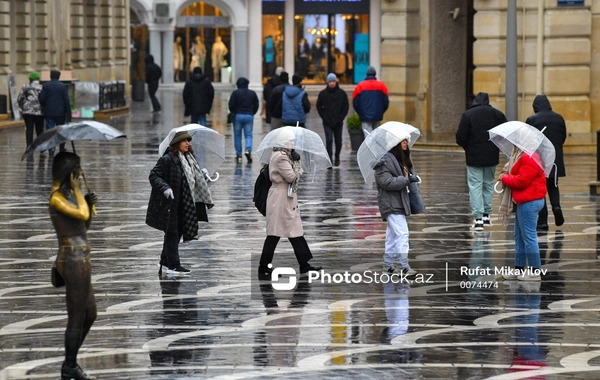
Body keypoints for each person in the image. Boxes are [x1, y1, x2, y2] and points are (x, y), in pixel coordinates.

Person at [49, 152, 98, 380]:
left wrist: (89, 204)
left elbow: (83, 224)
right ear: (68, 171)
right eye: (77, 170)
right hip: (71, 259)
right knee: (78, 315)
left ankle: (71, 361)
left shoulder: (69, 195)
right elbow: (80, 213)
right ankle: (70, 366)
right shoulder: (57, 197)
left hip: (82, 258)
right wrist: (80, 195)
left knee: (90, 314)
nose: (80, 174)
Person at [146, 131, 214, 276]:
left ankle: (165, 261)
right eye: (184, 141)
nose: (188, 143)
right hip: (171, 204)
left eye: (188, 141)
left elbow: (191, 179)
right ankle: (173, 266)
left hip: (186, 202)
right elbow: (154, 175)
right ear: (177, 143)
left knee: (178, 232)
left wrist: (202, 175)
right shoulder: (168, 159)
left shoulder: (189, 158)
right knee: (172, 233)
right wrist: (165, 187)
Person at [258, 129, 322, 278]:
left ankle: (304, 264)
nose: (292, 144)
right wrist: (297, 162)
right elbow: (292, 176)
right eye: (289, 142)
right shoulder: (280, 157)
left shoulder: (283, 155)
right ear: (282, 142)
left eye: (292, 141)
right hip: (280, 198)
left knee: (295, 231)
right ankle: (264, 266)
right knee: (275, 233)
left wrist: (294, 160)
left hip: (285, 197)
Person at [456, 92, 508, 231]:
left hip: (474, 156)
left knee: (475, 186)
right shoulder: (497, 114)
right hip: (491, 155)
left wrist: (468, 147)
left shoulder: (468, 115)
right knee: (488, 185)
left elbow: (460, 137)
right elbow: (506, 133)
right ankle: (486, 215)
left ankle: (478, 218)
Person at [499, 146, 547, 281]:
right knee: (519, 236)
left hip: (529, 201)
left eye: (515, 142)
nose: (513, 145)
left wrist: (505, 178)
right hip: (523, 200)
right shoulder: (520, 156)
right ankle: (519, 268)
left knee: (529, 236)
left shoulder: (529, 157)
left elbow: (522, 180)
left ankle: (535, 271)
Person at [374, 137, 418, 276]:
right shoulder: (385, 161)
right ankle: (403, 266)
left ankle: (388, 265)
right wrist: (406, 180)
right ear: (394, 144)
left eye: (407, 140)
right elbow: (386, 182)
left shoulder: (401, 159)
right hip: (390, 202)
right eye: (402, 141)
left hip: (398, 201)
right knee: (402, 234)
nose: (406, 143)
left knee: (393, 236)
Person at [525, 95, 567, 230]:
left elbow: (528, 139)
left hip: (539, 160)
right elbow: (563, 137)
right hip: (555, 159)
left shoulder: (532, 119)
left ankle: (543, 220)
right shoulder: (559, 118)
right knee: (553, 185)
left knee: (540, 189)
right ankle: (556, 207)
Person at [316, 73, 349, 167]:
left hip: (338, 122)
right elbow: (319, 106)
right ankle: (329, 160)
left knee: (339, 142)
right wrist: (324, 116)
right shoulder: (323, 94)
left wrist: (341, 117)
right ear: (327, 82)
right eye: (330, 81)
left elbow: (345, 106)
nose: (332, 83)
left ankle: (337, 156)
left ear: (336, 82)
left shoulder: (342, 93)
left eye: (333, 81)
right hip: (327, 122)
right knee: (329, 140)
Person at [38, 70, 71, 155]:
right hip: (61, 113)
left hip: (49, 112)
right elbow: (66, 100)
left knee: (50, 131)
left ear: (50, 76)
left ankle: (51, 148)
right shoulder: (63, 86)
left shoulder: (46, 86)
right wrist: (69, 113)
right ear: (58, 77)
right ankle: (62, 147)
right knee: (61, 130)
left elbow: (42, 99)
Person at [229, 77, 259, 164]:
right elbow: (256, 104)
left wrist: (234, 112)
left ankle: (239, 155)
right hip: (249, 115)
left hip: (238, 115)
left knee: (237, 136)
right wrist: (252, 113)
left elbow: (231, 105)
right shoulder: (252, 93)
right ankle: (248, 150)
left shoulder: (235, 93)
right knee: (248, 135)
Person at [352, 66, 389, 136]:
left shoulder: (360, 86)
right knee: (376, 136)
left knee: (368, 136)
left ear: (367, 74)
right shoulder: (382, 85)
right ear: (375, 74)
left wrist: (360, 112)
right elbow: (386, 102)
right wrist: (381, 111)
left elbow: (355, 102)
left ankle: (370, 147)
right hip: (377, 114)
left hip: (364, 115)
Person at [17, 71, 44, 149]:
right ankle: (41, 146)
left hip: (28, 112)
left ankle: (29, 146)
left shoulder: (25, 87)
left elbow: (20, 98)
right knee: (39, 129)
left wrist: (23, 107)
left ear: (30, 79)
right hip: (39, 112)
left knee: (29, 129)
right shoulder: (42, 87)